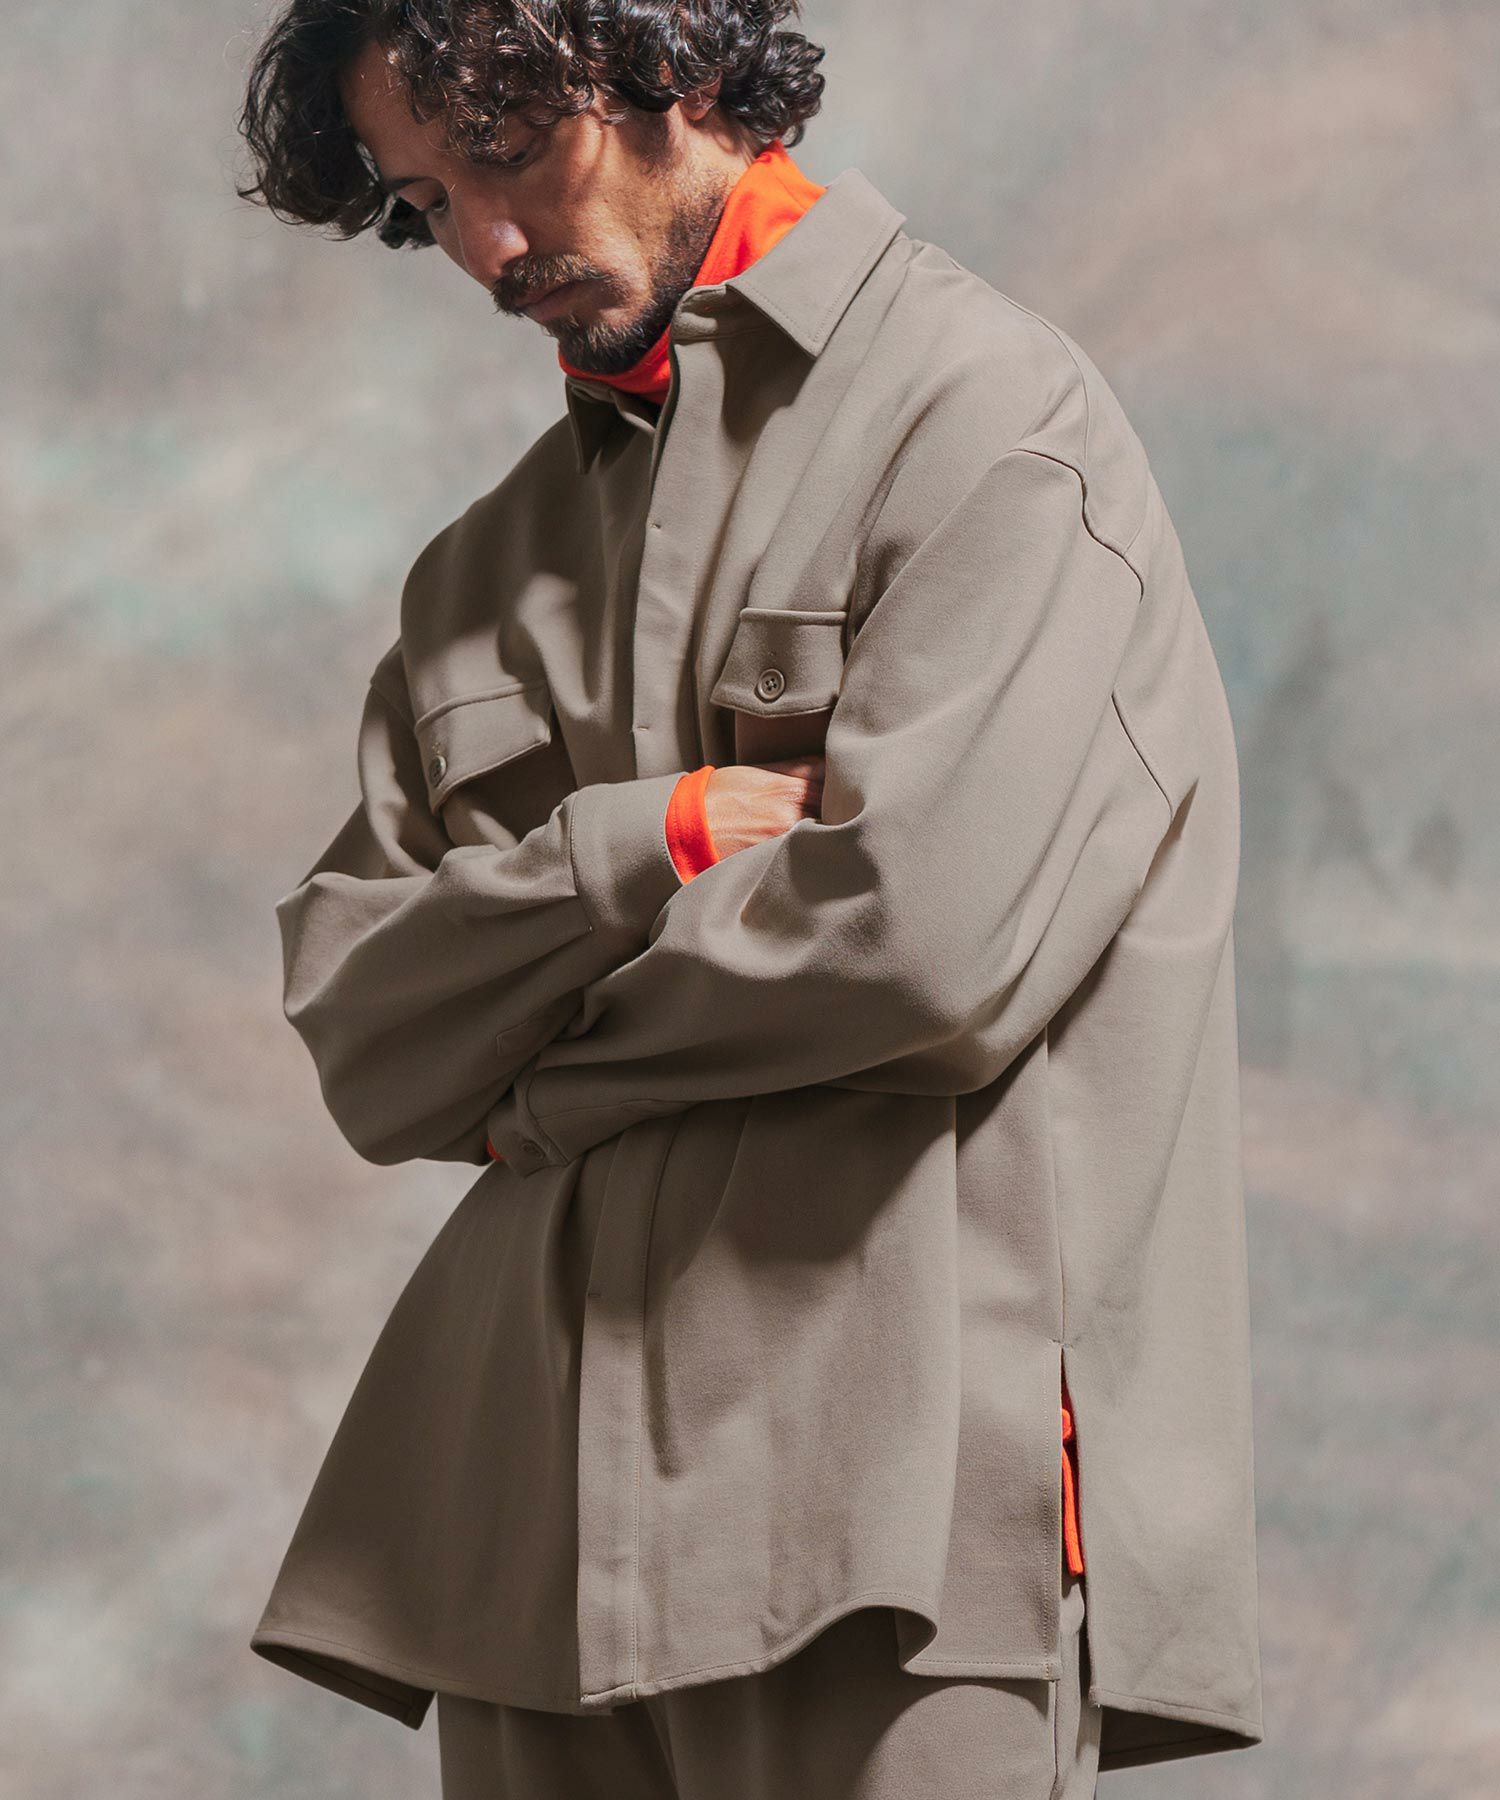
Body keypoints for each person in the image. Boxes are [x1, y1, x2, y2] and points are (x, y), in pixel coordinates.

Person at [235, 3, 1265, 1794]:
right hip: (525, 1552)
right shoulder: (478, 574)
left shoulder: (984, 418)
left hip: (902, 1525)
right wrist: (650, 843)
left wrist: (535, 1080)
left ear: (679, 63)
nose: (486, 246)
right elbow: (368, 1039)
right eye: (423, 203)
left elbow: (916, 952)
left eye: (505, 155)